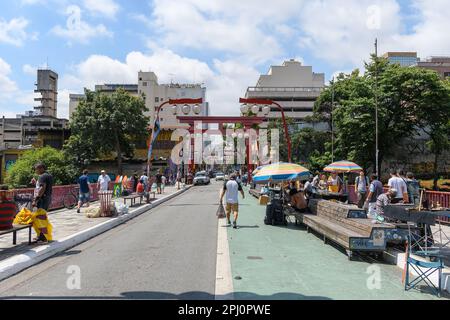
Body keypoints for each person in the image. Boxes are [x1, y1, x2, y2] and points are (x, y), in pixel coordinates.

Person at [32, 163, 53, 242]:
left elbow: (42, 188)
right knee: (42, 217)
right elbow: (43, 186)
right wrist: (35, 183)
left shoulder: (42, 176)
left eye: (36, 169)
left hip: (42, 199)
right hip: (47, 198)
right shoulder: (49, 175)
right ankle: (42, 235)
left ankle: (42, 236)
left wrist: (36, 199)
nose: (35, 171)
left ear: (41, 168)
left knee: (40, 218)